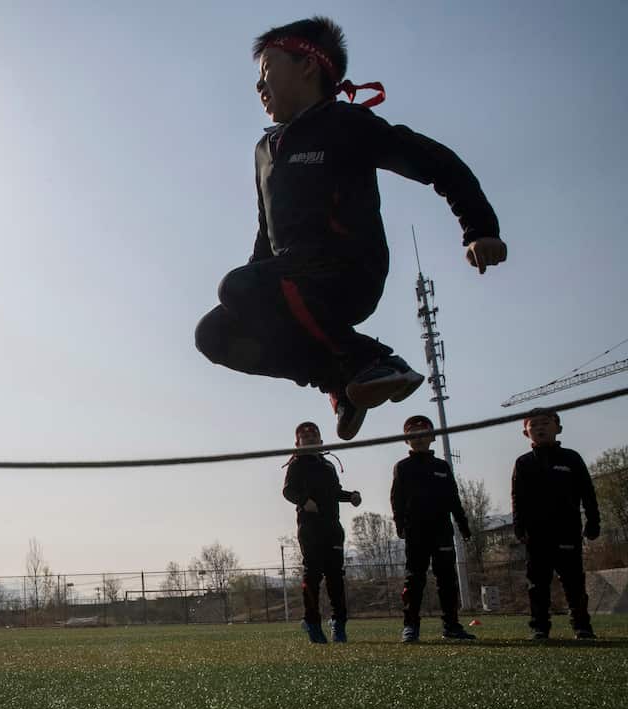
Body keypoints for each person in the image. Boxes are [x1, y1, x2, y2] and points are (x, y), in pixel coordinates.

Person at [194, 16, 507, 440]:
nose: (259, 86)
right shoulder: (265, 150)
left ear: (307, 66)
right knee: (214, 331)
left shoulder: (344, 123)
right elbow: (265, 233)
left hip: (347, 271)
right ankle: (337, 381)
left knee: (237, 286)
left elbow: (436, 161)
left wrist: (479, 227)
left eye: (267, 71)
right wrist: (252, 291)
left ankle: (376, 360)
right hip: (291, 279)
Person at [511, 408, 600, 640]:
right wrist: (518, 526)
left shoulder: (571, 458)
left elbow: (587, 493)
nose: (540, 428)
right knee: (537, 584)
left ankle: (582, 626)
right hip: (536, 535)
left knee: (574, 582)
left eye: (545, 423)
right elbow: (517, 498)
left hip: (567, 531)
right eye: (534, 425)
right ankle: (539, 627)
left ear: (558, 427)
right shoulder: (523, 463)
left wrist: (593, 521)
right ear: (526, 433)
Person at [390, 415, 475, 643]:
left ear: (432, 437)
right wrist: (401, 525)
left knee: (447, 580)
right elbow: (396, 499)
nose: (418, 437)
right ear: (406, 439)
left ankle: (452, 626)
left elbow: (453, 498)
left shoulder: (442, 466)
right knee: (414, 580)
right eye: (412, 434)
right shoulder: (403, 467)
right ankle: (410, 627)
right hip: (416, 532)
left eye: (422, 432)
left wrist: (463, 525)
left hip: (442, 531)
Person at [283, 421, 360, 643]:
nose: (309, 440)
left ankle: (339, 623)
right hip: (310, 528)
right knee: (313, 574)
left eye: (313, 438)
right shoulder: (296, 465)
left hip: (332, 527)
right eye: (305, 438)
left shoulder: (328, 466)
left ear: (321, 442)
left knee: (335, 576)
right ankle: (313, 623)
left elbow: (334, 492)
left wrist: (350, 497)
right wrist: (304, 501)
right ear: (297, 443)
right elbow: (288, 490)